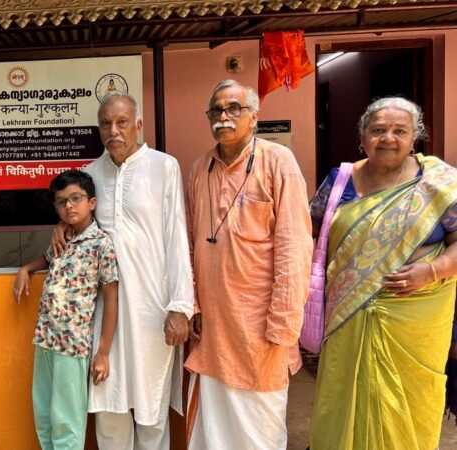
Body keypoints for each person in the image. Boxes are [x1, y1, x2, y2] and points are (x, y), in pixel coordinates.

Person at [308, 97, 457, 449]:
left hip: (415, 319)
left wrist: (432, 271)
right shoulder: (339, 181)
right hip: (348, 315)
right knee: (344, 398)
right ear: (362, 137)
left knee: (406, 404)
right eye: (377, 130)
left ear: (415, 136)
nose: (387, 138)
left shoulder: (439, 183)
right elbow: (311, 235)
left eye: (399, 131)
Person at [53, 92, 194, 449]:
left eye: (122, 122)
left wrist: (180, 306)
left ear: (139, 125)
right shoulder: (90, 175)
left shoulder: (164, 167)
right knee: (108, 405)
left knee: (151, 412)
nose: (113, 131)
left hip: (153, 309)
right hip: (104, 313)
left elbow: (177, 237)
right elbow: (76, 220)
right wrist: (60, 227)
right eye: (105, 124)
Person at [184, 80, 312, 450]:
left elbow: (294, 245)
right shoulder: (200, 168)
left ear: (254, 116)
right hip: (212, 324)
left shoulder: (278, 162)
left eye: (233, 109)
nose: (223, 117)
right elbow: (193, 241)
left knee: (260, 428)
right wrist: (193, 305)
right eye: (216, 110)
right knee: (214, 427)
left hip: (261, 326)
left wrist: (284, 324)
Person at [13, 170, 119, 449]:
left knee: (67, 422)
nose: (69, 206)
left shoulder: (101, 244)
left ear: (92, 203)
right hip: (45, 341)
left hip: (72, 347)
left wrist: (104, 352)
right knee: (45, 416)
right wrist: (26, 268)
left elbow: (111, 297)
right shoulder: (63, 239)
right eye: (61, 202)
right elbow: (47, 260)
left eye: (76, 199)